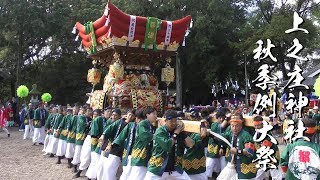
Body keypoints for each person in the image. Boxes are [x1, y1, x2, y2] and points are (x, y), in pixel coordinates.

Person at [144, 109, 191, 180]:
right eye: (171, 121)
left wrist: (183, 133)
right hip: (158, 168)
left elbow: (191, 144)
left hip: (175, 169)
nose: (173, 123)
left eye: (175, 121)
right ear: (165, 121)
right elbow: (167, 146)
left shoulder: (178, 131)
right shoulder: (160, 131)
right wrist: (176, 133)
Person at [219, 113, 257, 180]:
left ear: (241, 126)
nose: (234, 128)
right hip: (234, 165)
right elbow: (221, 137)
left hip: (245, 167)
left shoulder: (246, 135)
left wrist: (237, 151)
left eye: (236, 126)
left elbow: (249, 151)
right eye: (232, 126)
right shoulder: (230, 133)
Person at [126, 107, 157, 179]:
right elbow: (146, 137)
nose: (156, 116)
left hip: (144, 155)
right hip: (140, 155)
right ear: (147, 115)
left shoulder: (150, 125)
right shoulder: (143, 123)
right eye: (154, 114)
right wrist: (159, 134)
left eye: (156, 114)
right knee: (137, 177)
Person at [253, 115, 282, 180]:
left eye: (258, 125)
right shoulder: (256, 132)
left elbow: (274, 143)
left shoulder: (267, 132)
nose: (257, 127)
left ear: (262, 124)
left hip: (271, 155)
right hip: (261, 156)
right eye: (255, 126)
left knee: (275, 174)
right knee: (258, 174)